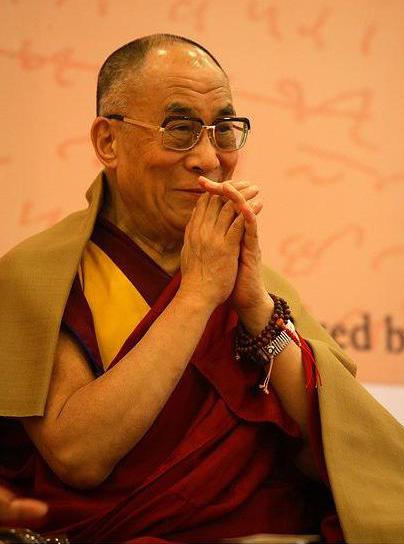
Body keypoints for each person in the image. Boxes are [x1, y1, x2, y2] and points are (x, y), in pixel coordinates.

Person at [0, 34, 403, 544]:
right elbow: (79, 457)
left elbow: (336, 451)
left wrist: (255, 307)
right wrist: (197, 295)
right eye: (181, 129)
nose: (210, 159)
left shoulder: (259, 285)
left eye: (224, 131)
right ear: (107, 142)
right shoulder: (43, 275)